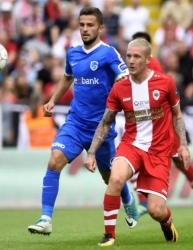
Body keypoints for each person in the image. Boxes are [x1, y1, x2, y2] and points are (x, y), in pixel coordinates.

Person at [27, 7, 138, 236]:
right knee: (54, 160)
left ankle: (128, 201)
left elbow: (126, 81)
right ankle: (46, 218)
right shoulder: (73, 53)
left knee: (110, 177)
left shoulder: (109, 54)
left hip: (101, 128)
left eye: (90, 25)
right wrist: (53, 100)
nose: (85, 29)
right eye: (82, 25)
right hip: (76, 123)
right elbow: (68, 76)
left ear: (100, 28)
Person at [84, 38, 190, 246]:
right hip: (131, 145)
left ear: (148, 59)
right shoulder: (120, 88)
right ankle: (109, 234)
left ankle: (167, 222)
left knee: (155, 210)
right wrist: (91, 152)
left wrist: (183, 145)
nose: (131, 61)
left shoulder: (165, 82)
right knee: (115, 179)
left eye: (137, 57)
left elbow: (177, 115)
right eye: (129, 56)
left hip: (159, 151)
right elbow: (106, 122)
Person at [131, 32, 193, 222]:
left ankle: (144, 200)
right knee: (178, 163)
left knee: (138, 156)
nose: (132, 58)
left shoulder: (150, 67)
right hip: (155, 126)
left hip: (162, 127)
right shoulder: (145, 65)